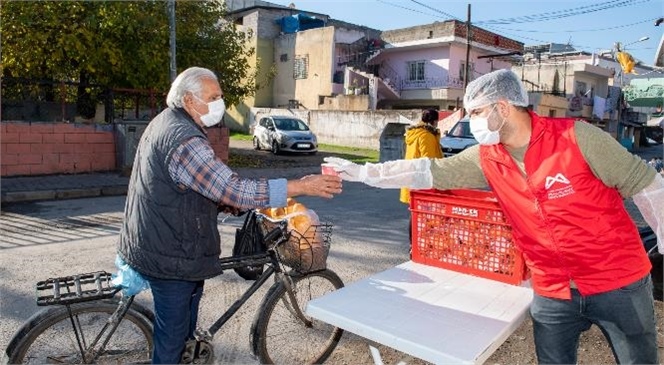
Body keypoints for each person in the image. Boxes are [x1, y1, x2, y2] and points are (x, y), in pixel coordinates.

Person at [323, 69, 663, 364]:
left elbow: (648, 185)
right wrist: (363, 172)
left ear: (503, 107)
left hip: (618, 281)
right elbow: (427, 172)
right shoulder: (486, 157)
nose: (471, 121)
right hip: (553, 288)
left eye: (476, 112)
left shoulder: (577, 138)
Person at [116, 66, 342, 364]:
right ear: (188, 100)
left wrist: (225, 202)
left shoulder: (167, 121)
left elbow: (191, 184)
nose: (219, 103)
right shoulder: (185, 140)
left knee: (182, 334)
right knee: (170, 346)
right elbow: (231, 188)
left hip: (155, 241)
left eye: (220, 95)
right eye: (213, 96)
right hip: (170, 256)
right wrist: (301, 186)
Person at [400, 109, 443, 245]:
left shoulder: (414, 133)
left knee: (415, 213)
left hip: (412, 178)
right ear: (434, 121)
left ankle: (414, 244)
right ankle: (418, 244)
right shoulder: (426, 136)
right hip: (422, 181)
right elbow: (428, 160)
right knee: (422, 214)